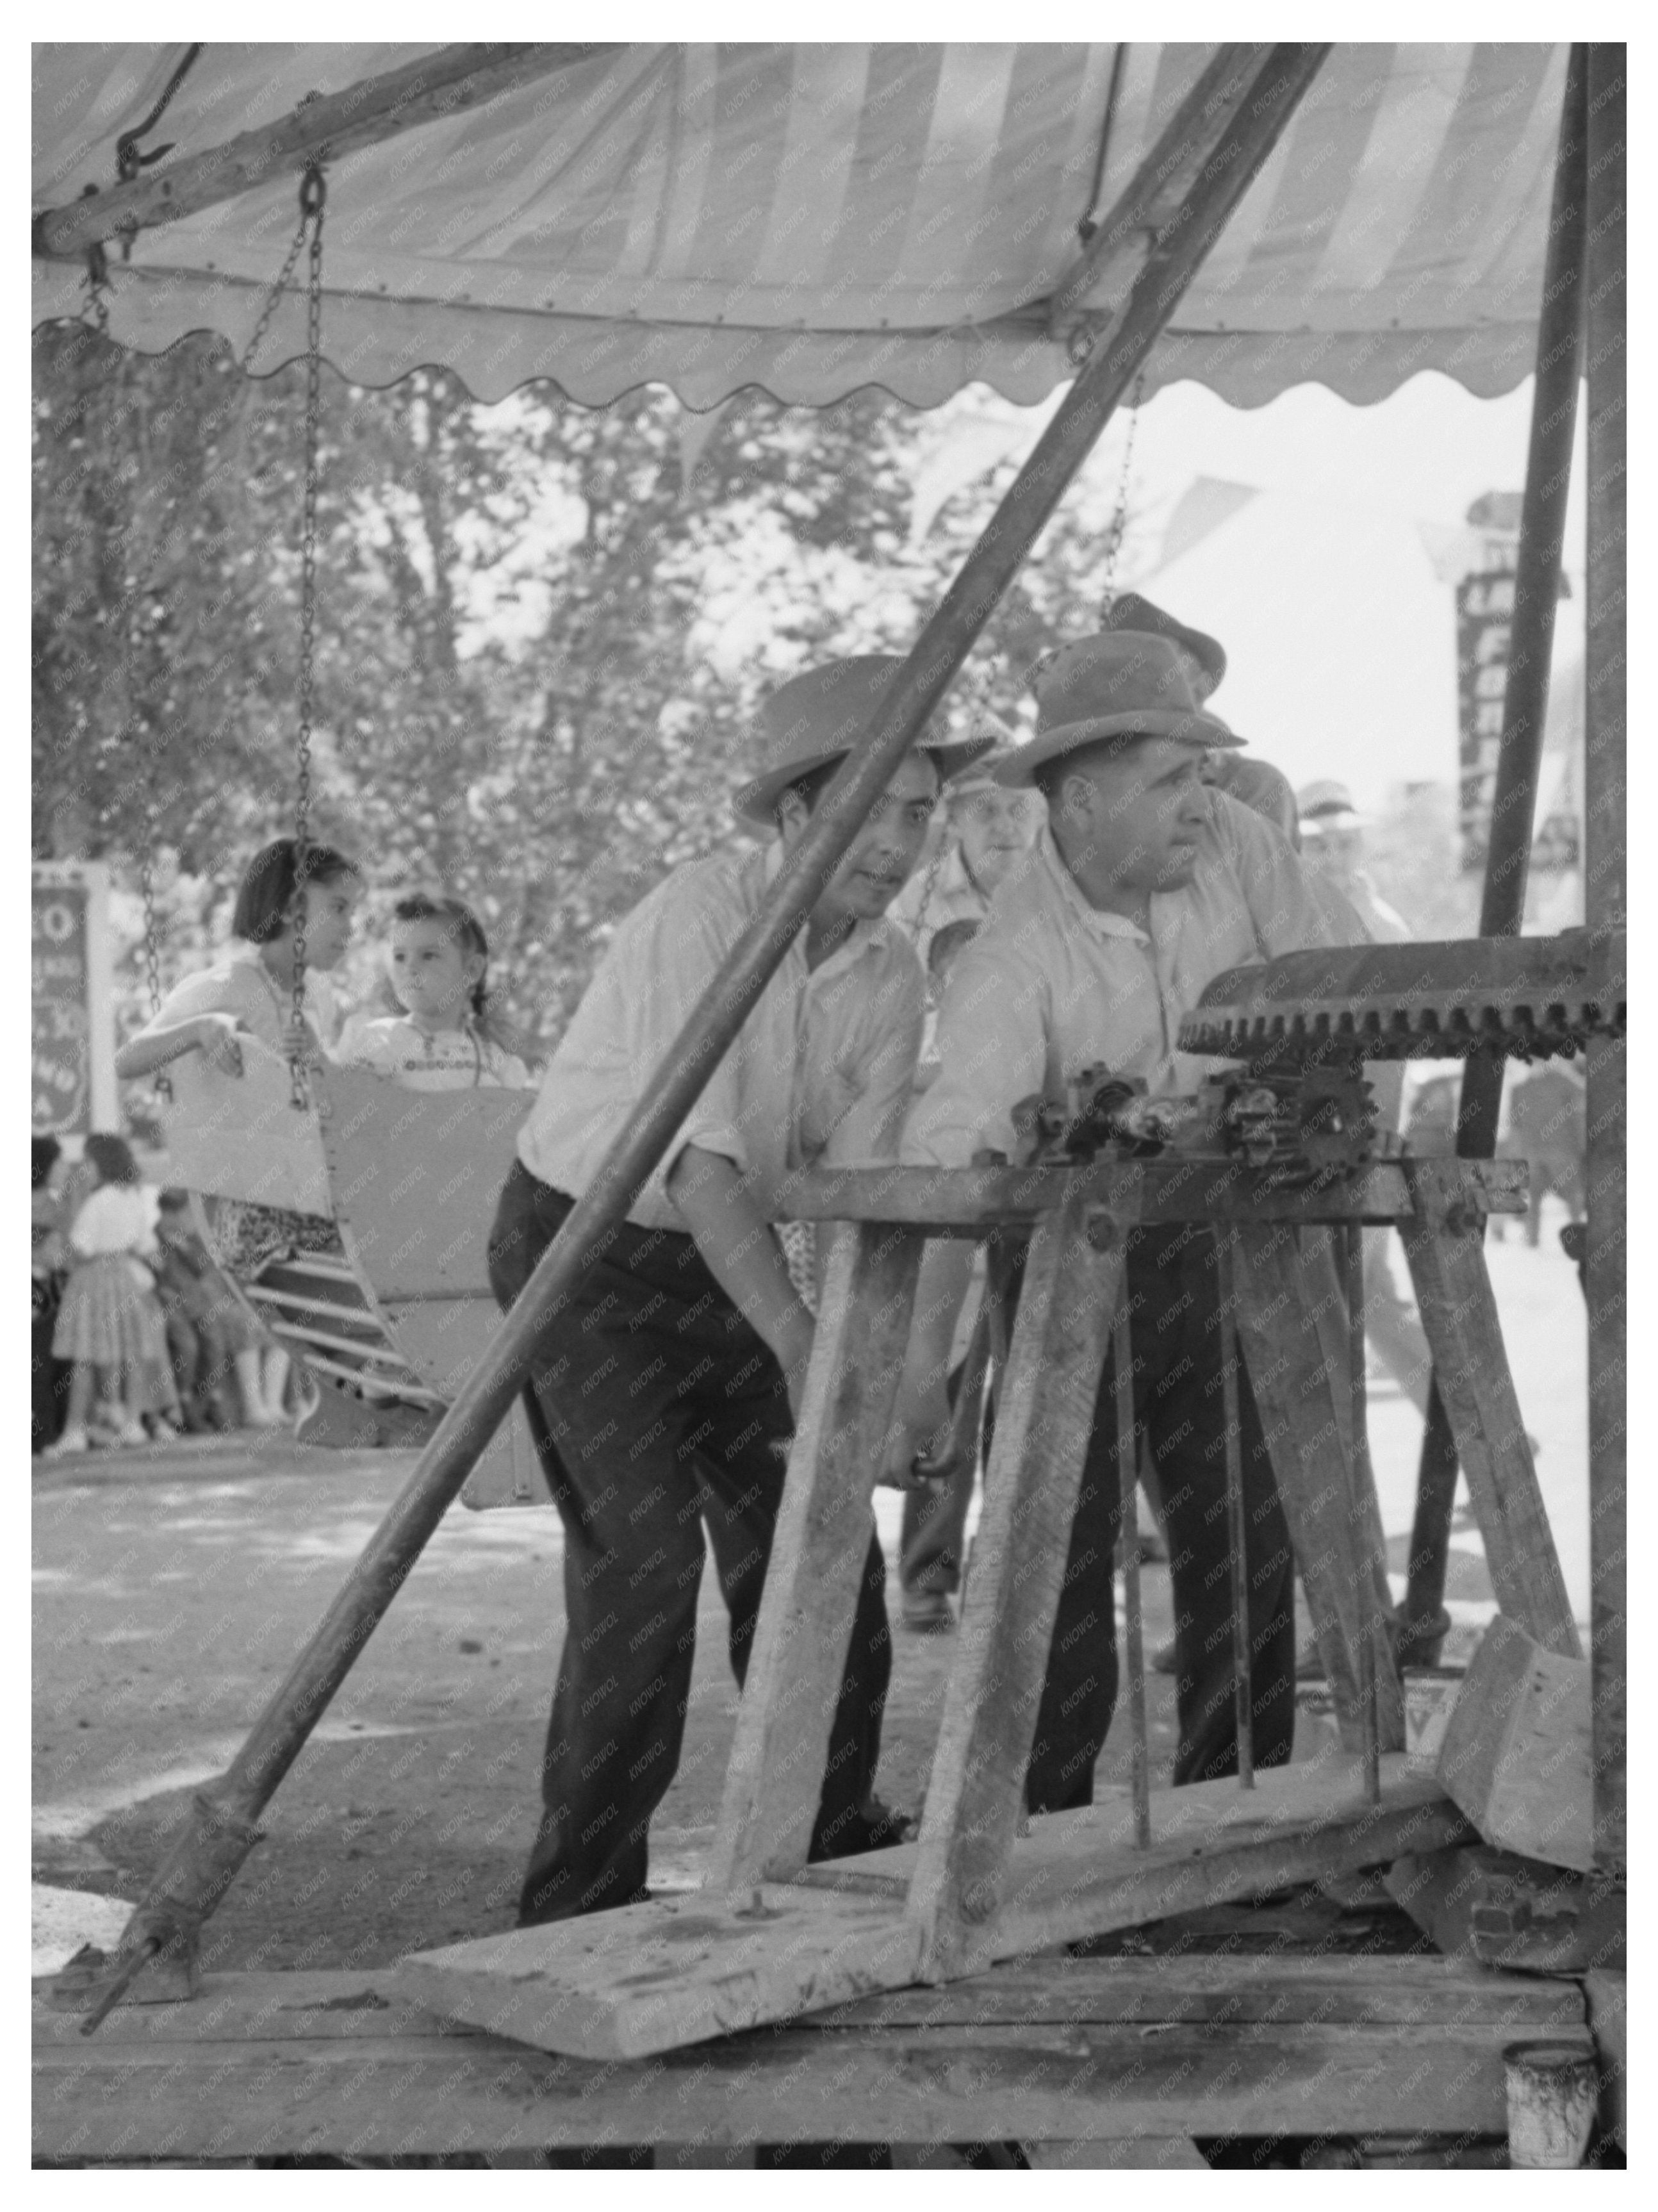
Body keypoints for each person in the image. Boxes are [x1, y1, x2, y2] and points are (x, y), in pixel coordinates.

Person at [488, 656, 990, 1926]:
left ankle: (826, 1839)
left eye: (918, 813)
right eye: (871, 812)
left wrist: (898, 1378)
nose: (898, 845)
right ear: (794, 815)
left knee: (821, 1538)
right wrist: (808, 1349)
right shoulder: (697, 916)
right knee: (645, 1565)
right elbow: (700, 1166)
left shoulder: (891, 975)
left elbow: (863, 1200)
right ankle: (578, 1903)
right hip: (587, 1252)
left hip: (729, 1263)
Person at [888, 630, 1365, 1797]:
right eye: (1170, 780)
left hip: (1221, 1243)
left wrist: (1281, 1082)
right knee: (1054, 1542)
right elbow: (952, 1176)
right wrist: (923, 1371)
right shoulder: (1010, 960)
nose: (1200, 799)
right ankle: (1045, 1823)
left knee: (1243, 1533)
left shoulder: (1236, 840)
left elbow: (1339, 985)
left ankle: (1238, 1807)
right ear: (1082, 803)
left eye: (1202, 772)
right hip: (1066, 1265)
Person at [115, 839, 361, 1418]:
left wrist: (319, 1059)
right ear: (292, 910)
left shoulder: (319, 994)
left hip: (306, 1192)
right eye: (339, 908)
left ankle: (359, 1389)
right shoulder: (227, 984)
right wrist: (202, 1028)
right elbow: (127, 1060)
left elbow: (319, 1098)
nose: (351, 926)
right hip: (251, 1206)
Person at [43, 1133, 180, 1455]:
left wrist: (63, 1249)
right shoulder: (131, 1198)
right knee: (132, 1355)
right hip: (125, 1280)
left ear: (102, 1164)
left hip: (92, 1282)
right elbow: (145, 1244)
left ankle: (75, 1430)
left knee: (85, 1358)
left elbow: (82, 1248)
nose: (84, 1169)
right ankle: (133, 1424)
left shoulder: (96, 1202)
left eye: (88, 1162)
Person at [336, 893, 532, 1091]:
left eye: (429, 955)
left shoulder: (493, 1060)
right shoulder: (376, 1042)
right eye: (400, 957)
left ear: (472, 970)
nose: (410, 968)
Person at [150, 1189, 278, 1432]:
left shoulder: (191, 1238)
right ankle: (185, 1402)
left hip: (197, 1305)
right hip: (172, 1305)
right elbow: (160, 1277)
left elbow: (203, 1267)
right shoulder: (154, 1238)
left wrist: (184, 1245)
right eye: (179, 1213)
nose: (185, 1218)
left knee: (215, 1342)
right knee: (188, 1346)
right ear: (167, 1213)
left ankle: (210, 1399)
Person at [33, 1137, 71, 1451]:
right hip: (39, 1291)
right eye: (59, 1162)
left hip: (57, 1289)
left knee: (59, 1362)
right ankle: (42, 1434)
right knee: (40, 1363)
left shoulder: (57, 1204)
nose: (65, 1168)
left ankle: (56, 1430)